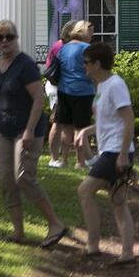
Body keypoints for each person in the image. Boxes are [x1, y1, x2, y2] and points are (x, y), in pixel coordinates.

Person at [0, 19, 68, 248]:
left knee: (23, 176)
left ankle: (55, 224)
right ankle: (18, 232)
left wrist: (28, 130)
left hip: (27, 130)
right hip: (3, 130)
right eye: (0, 37)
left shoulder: (25, 65)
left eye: (9, 36)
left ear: (16, 38)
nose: (4, 41)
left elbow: (38, 98)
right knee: (7, 181)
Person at [75, 43, 136, 265]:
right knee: (118, 201)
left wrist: (122, 155)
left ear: (97, 64)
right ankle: (127, 253)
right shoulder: (101, 86)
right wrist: (86, 131)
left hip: (115, 152)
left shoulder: (115, 85)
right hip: (109, 149)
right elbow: (107, 121)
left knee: (85, 191)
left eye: (87, 63)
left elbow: (128, 119)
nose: (84, 67)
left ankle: (92, 245)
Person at [50, 21, 96, 169]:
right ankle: (80, 161)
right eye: (90, 32)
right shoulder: (87, 49)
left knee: (66, 128)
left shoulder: (63, 48)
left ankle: (63, 160)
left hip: (64, 91)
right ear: (83, 32)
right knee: (80, 129)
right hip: (83, 92)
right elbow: (92, 71)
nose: (92, 36)